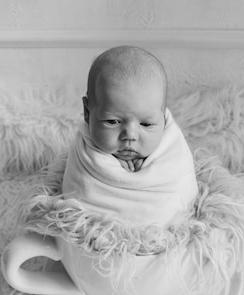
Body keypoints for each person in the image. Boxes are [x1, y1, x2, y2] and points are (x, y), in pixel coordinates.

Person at [61, 46, 199, 228]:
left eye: (146, 124)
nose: (130, 136)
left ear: (163, 117)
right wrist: (111, 168)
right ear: (88, 113)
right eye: (112, 121)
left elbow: (182, 189)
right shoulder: (84, 152)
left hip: (162, 242)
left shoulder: (172, 147)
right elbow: (78, 192)